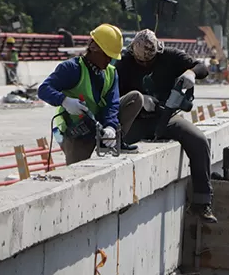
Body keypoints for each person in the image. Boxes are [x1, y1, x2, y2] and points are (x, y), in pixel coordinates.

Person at [115, 29, 217, 223]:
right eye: (141, 62)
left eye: (149, 61)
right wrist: (139, 99)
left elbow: (202, 67)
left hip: (168, 116)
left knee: (199, 141)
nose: (145, 64)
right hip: (136, 119)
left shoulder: (170, 56)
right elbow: (114, 95)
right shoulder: (125, 63)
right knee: (121, 153)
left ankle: (202, 202)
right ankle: (122, 201)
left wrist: (191, 73)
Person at [38, 24, 143, 164]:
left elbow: (112, 103)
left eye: (112, 57)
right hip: (77, 131)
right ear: (93, 48)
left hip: (99, 124)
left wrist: (110, 126)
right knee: (76, 173)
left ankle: (110, 141)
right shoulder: (72, 68)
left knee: (135, 99)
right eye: (106, 55)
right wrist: (64, 100)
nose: (109, 60)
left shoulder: (111, 73)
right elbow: (43, 89)